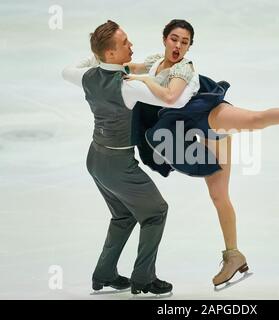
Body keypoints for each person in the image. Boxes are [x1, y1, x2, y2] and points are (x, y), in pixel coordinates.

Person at [124, 19, 279, 286]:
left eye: (184, 42)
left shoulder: (184, 68)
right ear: (164, 39)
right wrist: (107, 65)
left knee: (252, 120)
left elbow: (170, 97)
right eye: (174, 39)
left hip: (209, 116)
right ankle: (234, 255)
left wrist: (141, 80)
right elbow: (129, 67)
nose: (178, 45)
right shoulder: (154, 62)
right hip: (199, 135)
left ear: (189, 47)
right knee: (219, 196)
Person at [62, 20, 196, 295]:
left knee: (123, 216)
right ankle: (144, 279)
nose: (131, 45)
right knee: (156, 212)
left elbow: (66, 71)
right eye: (125, 43)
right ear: (110, 53)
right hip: (118, 165)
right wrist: (189, 78)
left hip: (95, 159)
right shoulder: (128, 87)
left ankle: (104, 273)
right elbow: (174, 99)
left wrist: (96, 58)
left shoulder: (87, 77)